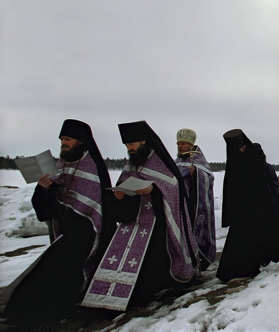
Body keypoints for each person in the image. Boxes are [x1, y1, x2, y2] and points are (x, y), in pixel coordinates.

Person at [0, 119, 115, 325]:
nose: (63, 143)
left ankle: (46, 312)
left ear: (80, 141)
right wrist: (44, 189)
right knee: (54, 272)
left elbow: (99, 203)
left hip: (86, 231)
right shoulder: (59, 165)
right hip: (64, 230)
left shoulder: (92, 167)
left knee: (59, 271)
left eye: (67, 139)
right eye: (62, 139)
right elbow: (48, 206)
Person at [81, 121, 199, 311]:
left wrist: (153, 189)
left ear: (144, 141)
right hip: (133, 223)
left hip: (157, 225)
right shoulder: (133, 163)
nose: (130, 149)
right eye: (127, 146)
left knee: (151, 268)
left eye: (132, 144)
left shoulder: (160, 162)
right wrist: (120, 195)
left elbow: (173, 187)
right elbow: (123, 185)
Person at [216, 129, 279, 283]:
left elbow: (260, 176)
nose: (239, 150)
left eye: (240, 147)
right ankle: (232, 270)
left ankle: (252, 266)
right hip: (242, 207)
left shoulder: (256, 153)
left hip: (259, 203)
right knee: (239, 238)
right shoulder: (234, 158)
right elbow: (231, 184)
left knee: (259, 235)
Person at [175, 128, 216, 271]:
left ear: (191, 145)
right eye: (178, 144)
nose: (180, 146)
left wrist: (196, 173)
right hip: (179, 207)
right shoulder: (177, 162)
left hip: (194, 207)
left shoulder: (198, 161)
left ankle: (198, 261)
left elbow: (209, 177)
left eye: (183, 144)